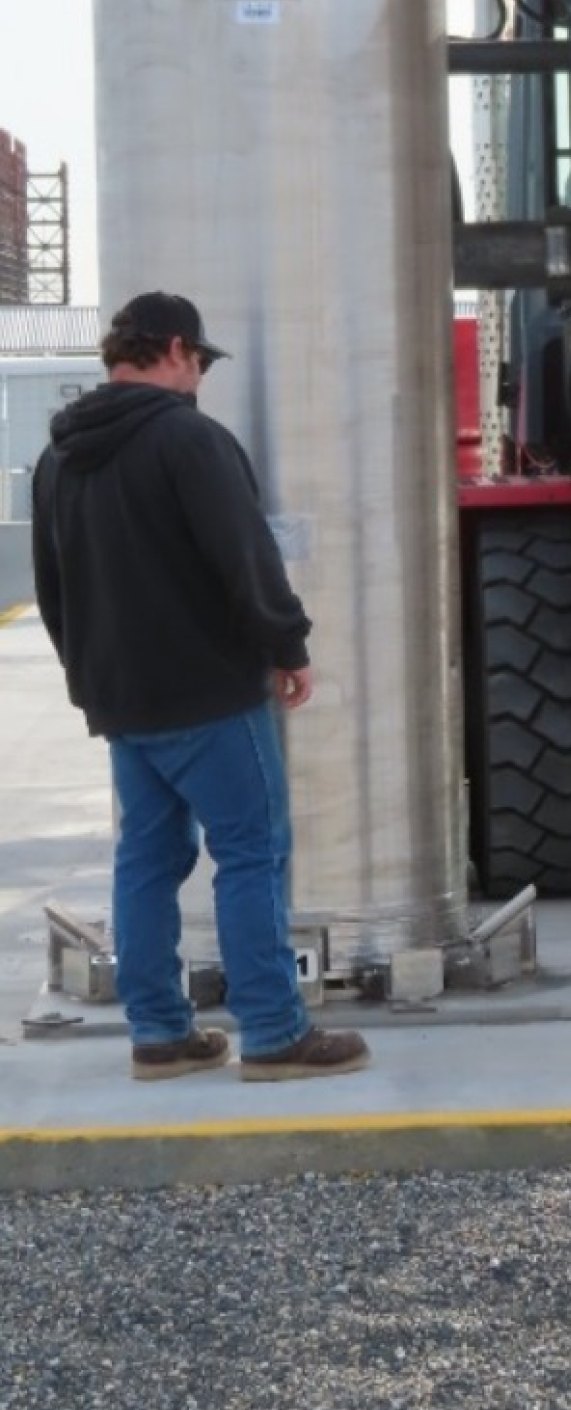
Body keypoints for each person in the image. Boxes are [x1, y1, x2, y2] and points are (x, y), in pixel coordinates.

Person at [30, 291, 369, 1084]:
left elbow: (53, 587)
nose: (202, 380)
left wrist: (92, 679)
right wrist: (287, 645)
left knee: (147, 857)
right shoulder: (188, 441)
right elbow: (245, 556)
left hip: (121, 701)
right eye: (201, 363)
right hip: (209, 695)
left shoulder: (59, 457)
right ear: (175, 349)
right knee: (252, 850)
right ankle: (276, 1032)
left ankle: (159, 1032)